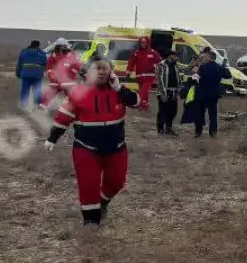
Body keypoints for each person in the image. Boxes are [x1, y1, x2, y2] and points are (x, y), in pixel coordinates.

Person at [43, 58, 137, 229]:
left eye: (105, 68)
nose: (101, 72)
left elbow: (137, 102)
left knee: (117, 182)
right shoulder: (78, 93)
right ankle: (91, 223)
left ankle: (103, 202)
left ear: (111, 71)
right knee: (88, 185)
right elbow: (63, 117)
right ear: (88, 72)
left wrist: (119, 88)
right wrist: (53, 138)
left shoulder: (119, 91)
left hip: (116, 148)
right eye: (97, 69)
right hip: (86, 149)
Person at [192, 49, 229, 138]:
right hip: (213, 95)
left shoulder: (202, 67)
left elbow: (194, 78)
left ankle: (198, 132)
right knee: (213, 115)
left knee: (200, 114)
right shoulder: (219, 67)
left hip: (202, 94)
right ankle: (213, 133)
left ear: (209, 57)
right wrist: (224, 67)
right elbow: (228, 76)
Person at [42, 39, 82, 110]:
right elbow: (49, 68)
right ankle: (43, 107)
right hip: (61, 81)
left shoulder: (57, 55)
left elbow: (77, 65)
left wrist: (72, 73)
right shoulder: (55, 55)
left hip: (63, 81)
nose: (62, 48)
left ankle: (70, 109)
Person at [126, 38, 163, 112]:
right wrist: (128, 71)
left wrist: (154, 66)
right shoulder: (136, 53)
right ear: (139, 43)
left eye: (145, 42)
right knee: (143, 92)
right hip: (139, 77)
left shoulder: (153, 52)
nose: (143, 44)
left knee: (143, 92)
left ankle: (138, 105)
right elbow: (131, 63)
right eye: (142, 42)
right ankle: (144, 106)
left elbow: (161, 62)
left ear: (147, 43)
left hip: (149, 77)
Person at [154, 49, 184, 135]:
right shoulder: (161, 65)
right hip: (164, 91)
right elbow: (159, 80)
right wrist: (163, 94)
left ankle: (168, 128)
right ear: (170, 56)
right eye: (176, 56)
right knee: (163, 111)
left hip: (173, 92)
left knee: (173, 111)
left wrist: (193, 63)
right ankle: (160, 129)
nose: (177, 58)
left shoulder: (175, 66)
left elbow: (183, 70)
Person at [15, 40, 48, 110]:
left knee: (25, 90)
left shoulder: (23, 52)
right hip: (37, 76)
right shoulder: (42, 53)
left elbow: (19, 64)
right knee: (37, 90)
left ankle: (24, 105)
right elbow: (45, 64)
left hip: (25, 75)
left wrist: (18, 73)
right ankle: (37, 105)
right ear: (38, 46)